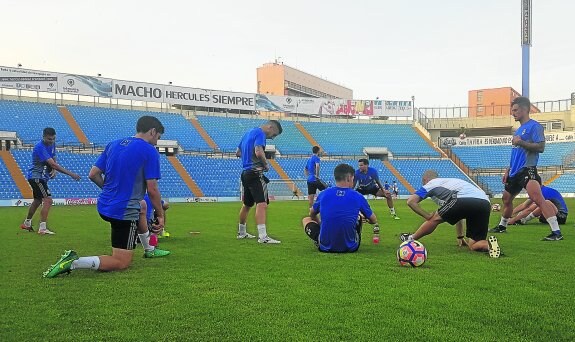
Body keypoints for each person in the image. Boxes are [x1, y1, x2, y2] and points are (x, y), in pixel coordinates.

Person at [43, 116, 170, 278]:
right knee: (121, 262)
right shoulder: (149, 151)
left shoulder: (114, 144)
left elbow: (93, 174)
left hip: (104, 204)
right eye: (158, 137)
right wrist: (160, 215)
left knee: (142, 207)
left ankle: (149, 250)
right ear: (153, 131)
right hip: (123, 211)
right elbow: (152, 189)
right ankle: (74, 262)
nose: (157, 142)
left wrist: (111, 191)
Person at [490, 97, 563, 241]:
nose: (513, 113)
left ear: (525, 109)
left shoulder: (534, 126)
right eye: (512, 110)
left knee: (538, 198)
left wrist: (521, 142)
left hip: (527, 169)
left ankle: (556, 232)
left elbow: (540, 147)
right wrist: (508, 170)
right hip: (514, 172)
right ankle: (502, 226)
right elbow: (515, 153)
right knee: (506, 199)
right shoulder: (518, 131)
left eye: (515, 110)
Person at [401, 170, 501, 258]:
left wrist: (427, 216)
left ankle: (410, 239)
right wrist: (460, 237)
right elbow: (459, 214)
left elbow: (411, 201)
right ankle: (489, 245)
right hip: (485, 202)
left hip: (463, 198)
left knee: (434, 218)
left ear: (425, 179)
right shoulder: (452, 182)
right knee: (474, 244)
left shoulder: (430, 184)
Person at [302, 163, 378, 253]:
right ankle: (350, 239)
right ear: (349, 177)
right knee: (359, 217)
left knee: (306, 219)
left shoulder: (324, 194)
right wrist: (366, 219)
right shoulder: (357, 196)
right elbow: (373, 220)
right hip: (351, 248)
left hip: (324, 247)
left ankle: (321, 238)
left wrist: (320, 224)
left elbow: (312, 214)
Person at [20, 127, 81, 235]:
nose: (51, 141)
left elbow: (53, 158)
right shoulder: (40, 147)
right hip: (37, 177)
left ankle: (27, 223)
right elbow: (52, 163)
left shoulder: (52, 145)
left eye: (53, 139)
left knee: (38, 200)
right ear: (43, 137)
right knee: (48, 200)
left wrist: (53, 170)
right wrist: (71, 174)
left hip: (40, 177)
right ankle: (42, 228)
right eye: (49, 139)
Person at [236, 120, 283, 244]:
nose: (272, 138)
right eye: (274, 134)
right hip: (255, 173)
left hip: (245, 173)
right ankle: (263, 237)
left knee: (247, 205)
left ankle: (241, 232)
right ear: (270, 127)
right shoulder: (260, 134)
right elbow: (258, 151)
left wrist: (248, 160)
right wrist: (265, 165)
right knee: (262, 204)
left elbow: (238, 153)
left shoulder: (248, 133)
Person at [354, 159, 400, 229]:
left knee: (388, 195)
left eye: (361, 165)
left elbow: (378, 181)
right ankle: (358, 214)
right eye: (359, 165)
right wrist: (350, 193)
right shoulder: (357, 173)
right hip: (361, 189)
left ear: (366, 165)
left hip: (373, 188)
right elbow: (354, 185)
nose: (359, 167)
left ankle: (393, 212)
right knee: (354, 199)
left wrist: (383, 190)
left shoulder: (373, 171)